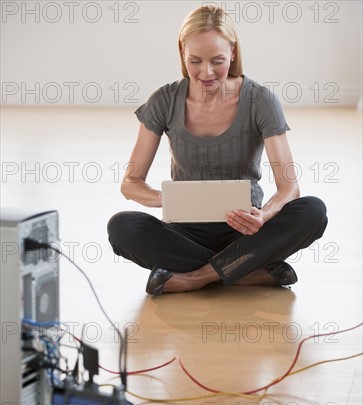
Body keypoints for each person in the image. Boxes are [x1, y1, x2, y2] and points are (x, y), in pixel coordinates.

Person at [107, 5, 328, 296]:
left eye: (218, 61)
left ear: (233, 53)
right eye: (195, 61)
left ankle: (196, 278)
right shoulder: (164, 100)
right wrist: (167, 199)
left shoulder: (260, 100)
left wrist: (264, 215)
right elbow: (130, 184)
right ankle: (245, 270)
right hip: (185, 231)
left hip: (246, 229)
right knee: (121, 227)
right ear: (182, 52)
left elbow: (289, 187)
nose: (206, 72)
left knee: (313, 211)